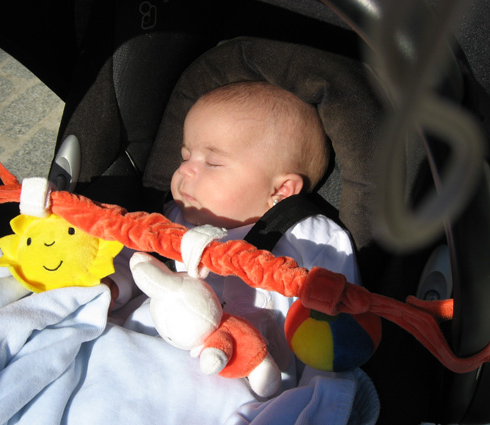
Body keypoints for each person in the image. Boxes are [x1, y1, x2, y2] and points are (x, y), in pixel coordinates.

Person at [107, 80, 361, 389]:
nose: (184, 170)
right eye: (185, 156)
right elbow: (132, 261)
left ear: (281, 191)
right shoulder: (170, 219)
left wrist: (315, 398)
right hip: (142, 358)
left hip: (251, 383)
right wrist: (114, 285)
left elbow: (336, 330)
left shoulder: (314, 239)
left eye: (212, 162)